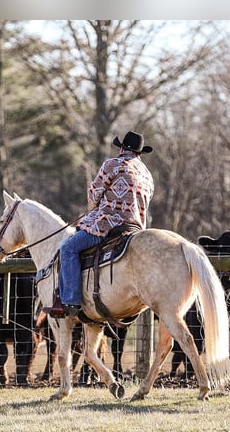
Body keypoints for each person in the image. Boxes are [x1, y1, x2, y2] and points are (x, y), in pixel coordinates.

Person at [51, 130, 155, 318]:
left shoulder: (112, 164)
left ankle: (71, 301)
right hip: (135, 229)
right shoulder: (147, 174)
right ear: (139, 154)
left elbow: (94, 194)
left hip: (107, 226)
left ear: (121, 148)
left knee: (68, 248)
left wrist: (94, 210)